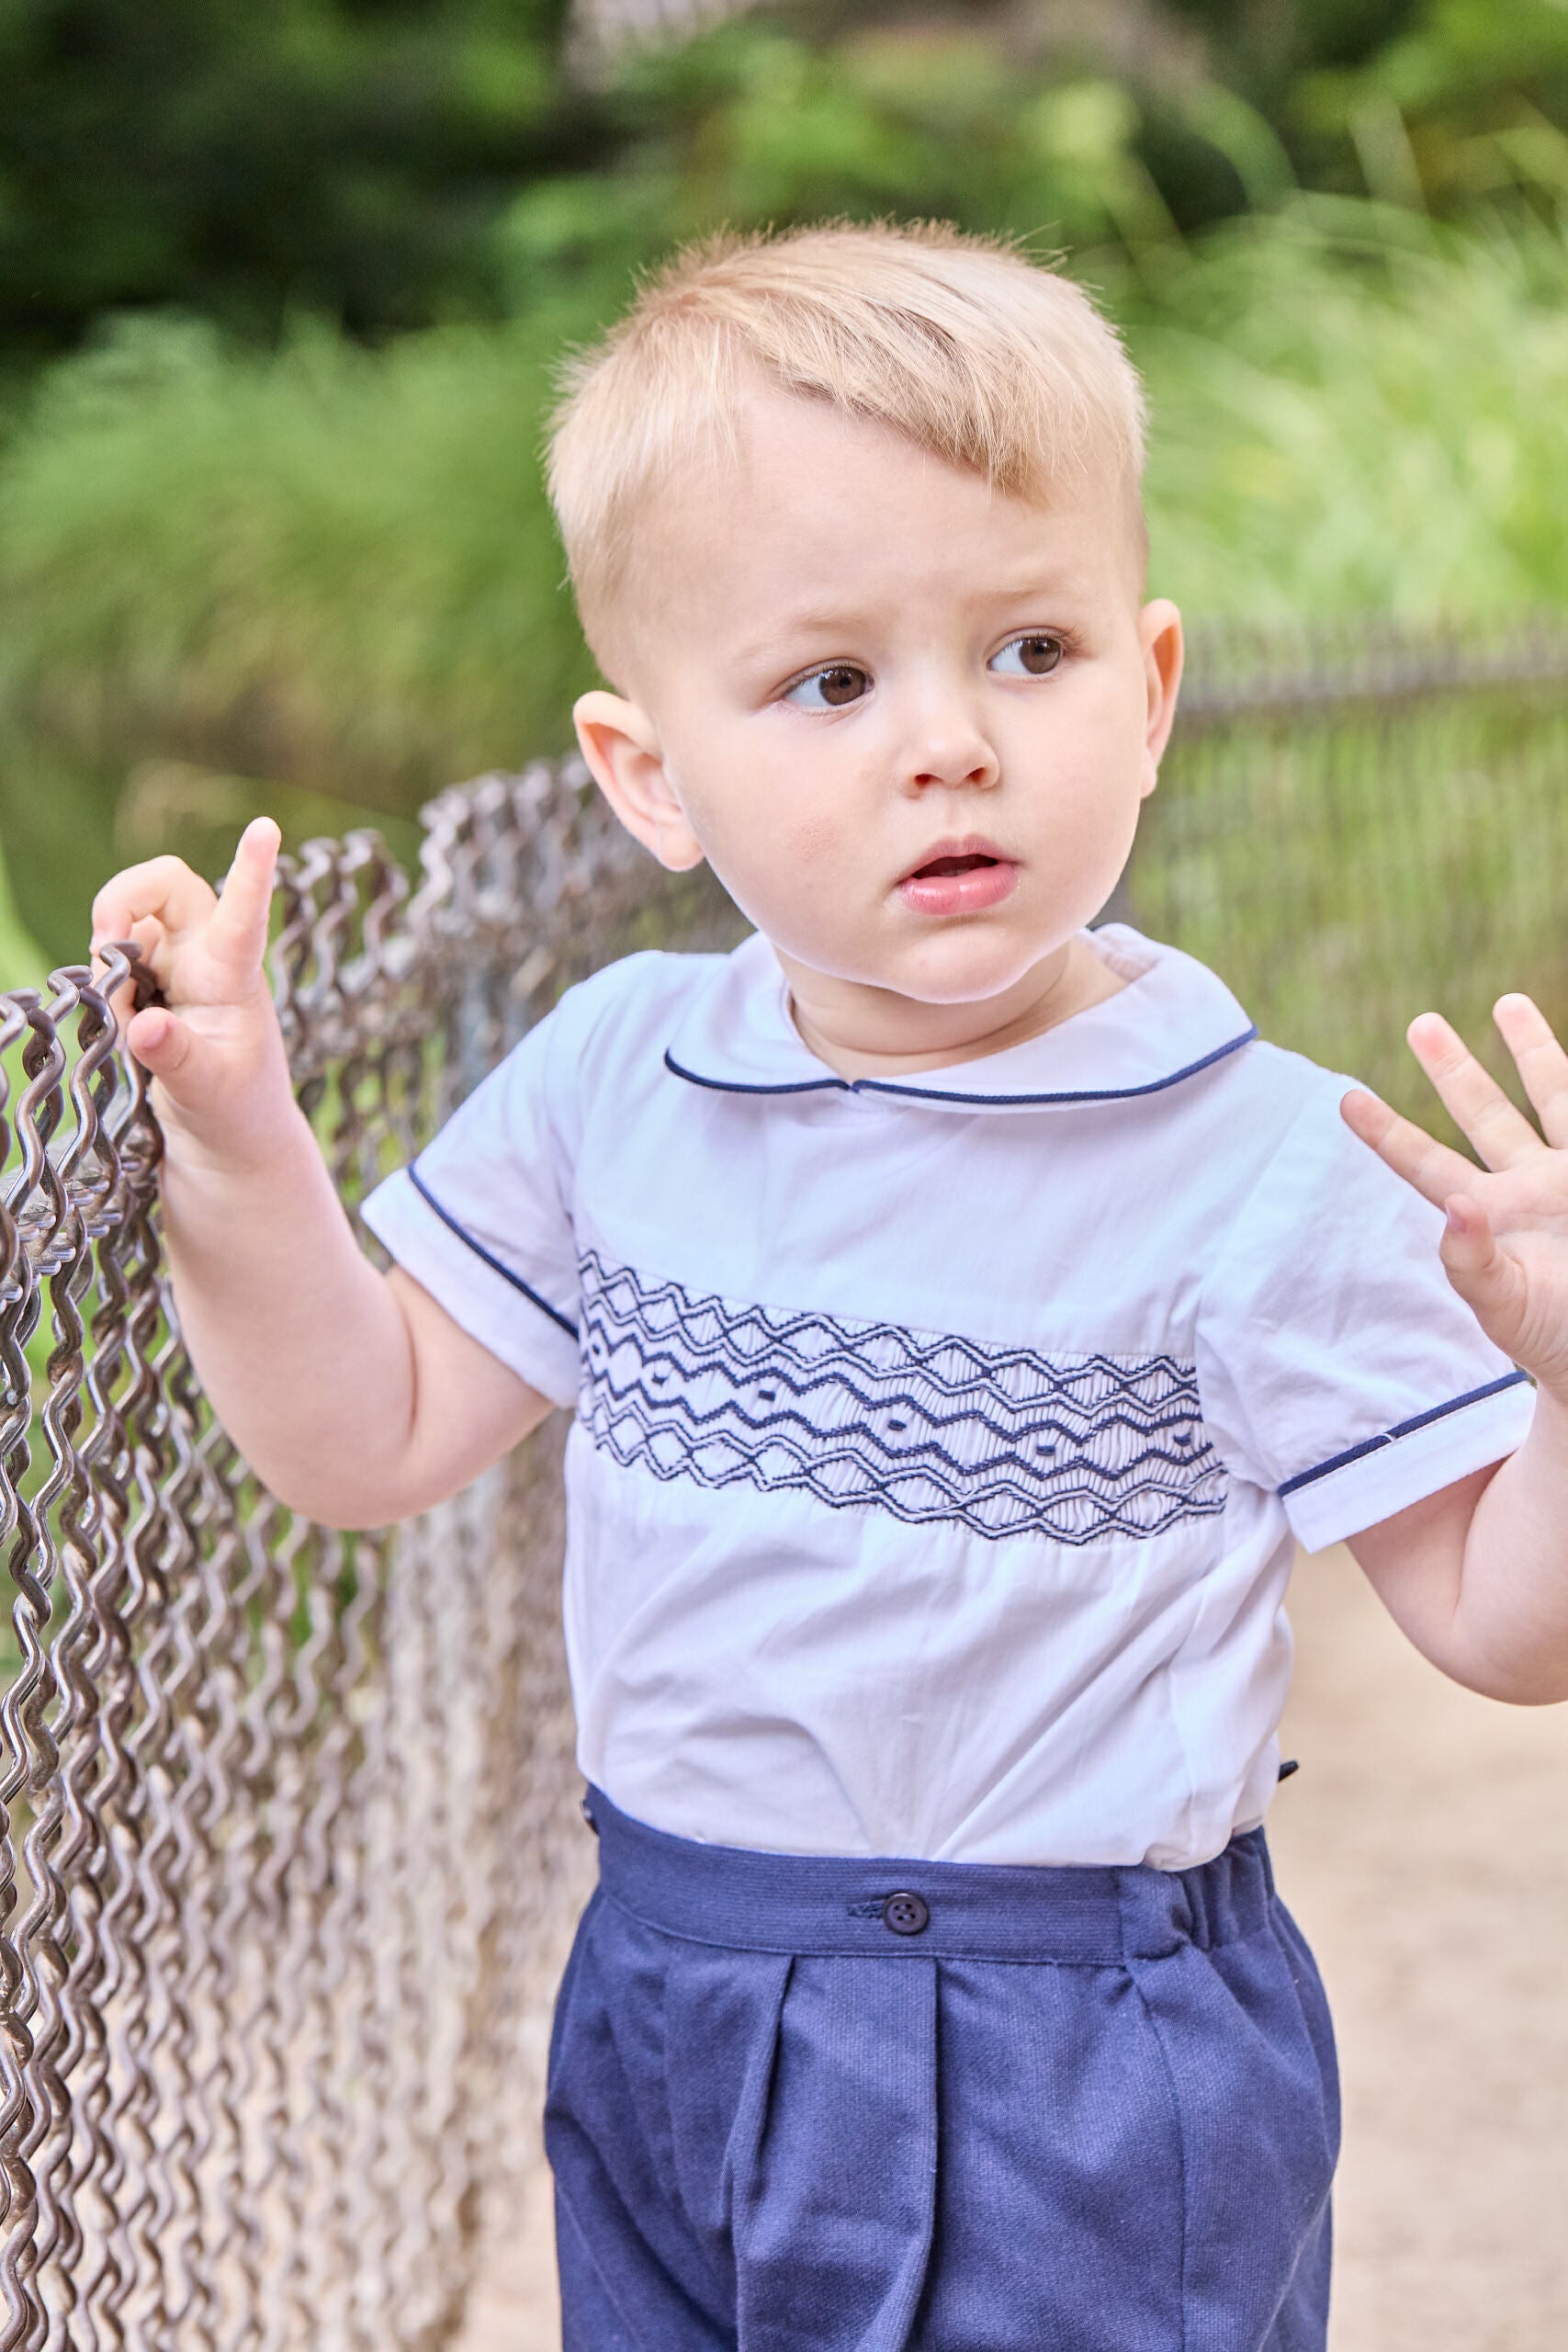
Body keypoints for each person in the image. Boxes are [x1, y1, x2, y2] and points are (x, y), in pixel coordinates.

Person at [91, 222, 1568, 2351]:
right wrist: (239, 1134)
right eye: (829, 681)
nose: (946, 743)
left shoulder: (1261, 1153)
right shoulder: (618, 1077)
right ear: (648, 776)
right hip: (672, 2000)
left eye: (1029, 651)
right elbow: (368, 1428)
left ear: (1148, 693)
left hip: (1084, 2049)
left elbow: (1502, 1630)